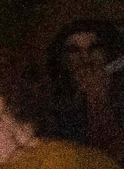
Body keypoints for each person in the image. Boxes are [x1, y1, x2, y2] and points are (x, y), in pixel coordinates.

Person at [47, 19, 123, 157]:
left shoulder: (120, 94)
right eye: (74, 50)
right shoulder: (52, 105)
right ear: (62, 59)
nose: (85, 58)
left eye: (94, 48)